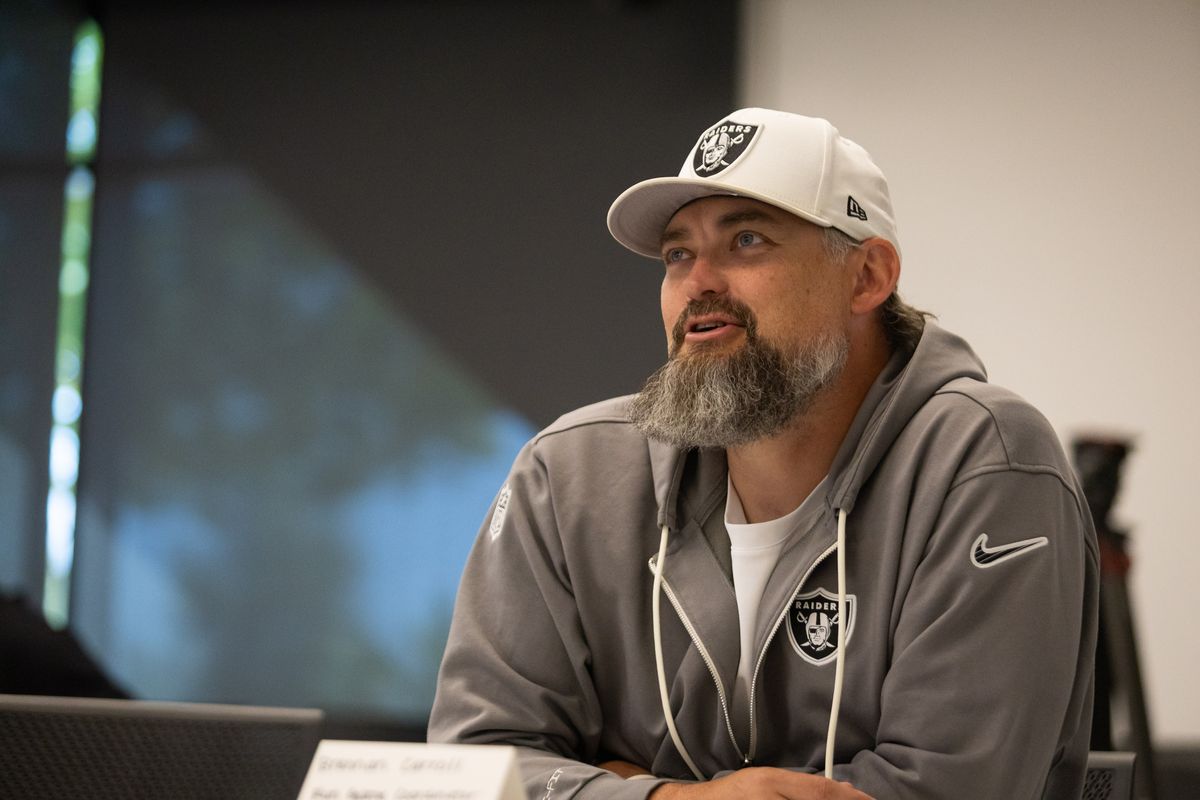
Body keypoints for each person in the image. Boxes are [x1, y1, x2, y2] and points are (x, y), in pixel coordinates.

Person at [428, 108, 1098, 800]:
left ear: (867, 276)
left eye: (747, 240)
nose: (699, 283)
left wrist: (619, 776)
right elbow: (474, 771)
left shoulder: (985, 462)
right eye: (678, 254)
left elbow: (949, 790)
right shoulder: (568, 475)